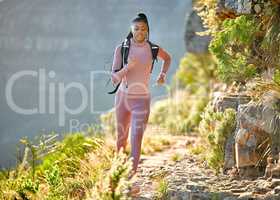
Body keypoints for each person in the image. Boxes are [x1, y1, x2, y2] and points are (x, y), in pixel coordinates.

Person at [111, 13, 171, 179]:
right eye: (136, 28)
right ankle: (118, 173)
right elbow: (114, 78)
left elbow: (167, 58)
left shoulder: (153, 49)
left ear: (147, 30)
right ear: (131, 29)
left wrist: (163, 74)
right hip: (122, 99)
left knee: (136, 138)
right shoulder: (121, 49)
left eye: (143, 28)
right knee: (121, 139)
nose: (139, 31)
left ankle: (130, 177)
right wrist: (128, 67)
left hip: (142, 101)